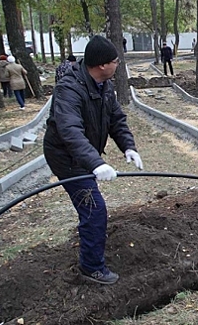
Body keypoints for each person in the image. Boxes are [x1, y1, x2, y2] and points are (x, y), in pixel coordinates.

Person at [43, 35, 143, 285]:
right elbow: (70, 132)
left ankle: (92, 254)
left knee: (93, 208)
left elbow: (116, 119)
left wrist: (128, 147)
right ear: (101, 65)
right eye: (115, 60)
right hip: (66, 156)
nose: (118, 63)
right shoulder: (69, 89)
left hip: (83, 154)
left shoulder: (104, 85)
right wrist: (96, 163)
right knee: (94, 210)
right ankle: (91, 268)